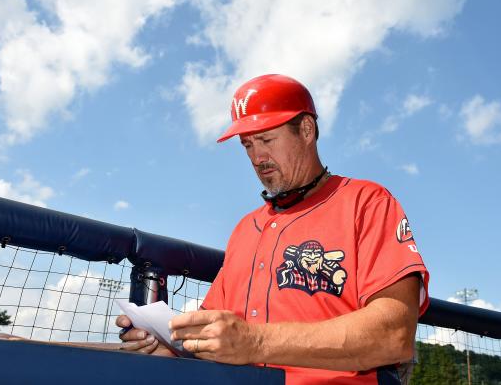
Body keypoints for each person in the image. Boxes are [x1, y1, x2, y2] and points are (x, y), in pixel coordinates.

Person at [117, 74, 430, 384]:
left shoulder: (367, 202)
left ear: (306, 130)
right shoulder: (245, 228)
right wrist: (167, 347)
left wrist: (255, 341)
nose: (257, 157)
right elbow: (217, 340)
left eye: (266, 139)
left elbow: (394, 334)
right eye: (247, 144)